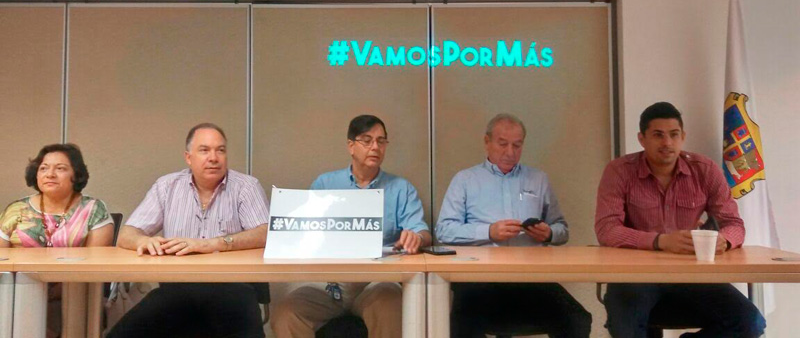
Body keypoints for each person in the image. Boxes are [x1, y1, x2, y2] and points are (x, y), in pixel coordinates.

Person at [595, 102, 766, 338]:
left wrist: (725, 240)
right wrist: (660, 241)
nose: (667, 143)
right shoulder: (619, 171)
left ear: (683, 137)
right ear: (642, 139)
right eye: (658, 135)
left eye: (674, 135)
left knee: (750, 323)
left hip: (692, 274)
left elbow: (734, 223)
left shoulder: (704, 170)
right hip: (636, 274)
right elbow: (607, 229)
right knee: (626, 327)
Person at [271, 114, 431, 338]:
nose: (375, 147)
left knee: (390, 304)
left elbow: (422, 232)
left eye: (381, 141)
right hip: (329, 281)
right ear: (351, 146)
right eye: (367, 140)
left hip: (376, 280)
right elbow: (305, 233)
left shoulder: (400, 188)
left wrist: (417, 238)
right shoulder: (325, 184)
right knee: (286, 313)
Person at [108, 123, 270, 338]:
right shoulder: (167, 186)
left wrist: (213, 244)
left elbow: (265, 233)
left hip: (233, 289)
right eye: (204, 150)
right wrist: (143, 241)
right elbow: (127, 234)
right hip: (177, 290)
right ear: (188, 157)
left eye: (220, 150)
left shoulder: (246, 187)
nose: (213, 158)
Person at [436, 113, 591, 338]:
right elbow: (444, 230)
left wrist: (548, 233)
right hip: (479, 280)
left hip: (531, 279)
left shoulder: (538, 179)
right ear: (487, 142)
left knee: (577, 318)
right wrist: (489, 232)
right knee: (462, 325)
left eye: (517, 145)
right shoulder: (465, 180)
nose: (510, 152)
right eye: (503, 144)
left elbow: (562, 229)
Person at [0, 143, 114, 338]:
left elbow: (95, 264)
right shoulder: (16, 209)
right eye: (43, 168)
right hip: (18, 292)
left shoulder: (93, 210)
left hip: (73, 294)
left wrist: (54, 290)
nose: (50, 174)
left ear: (76, 175)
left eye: (60, 168)